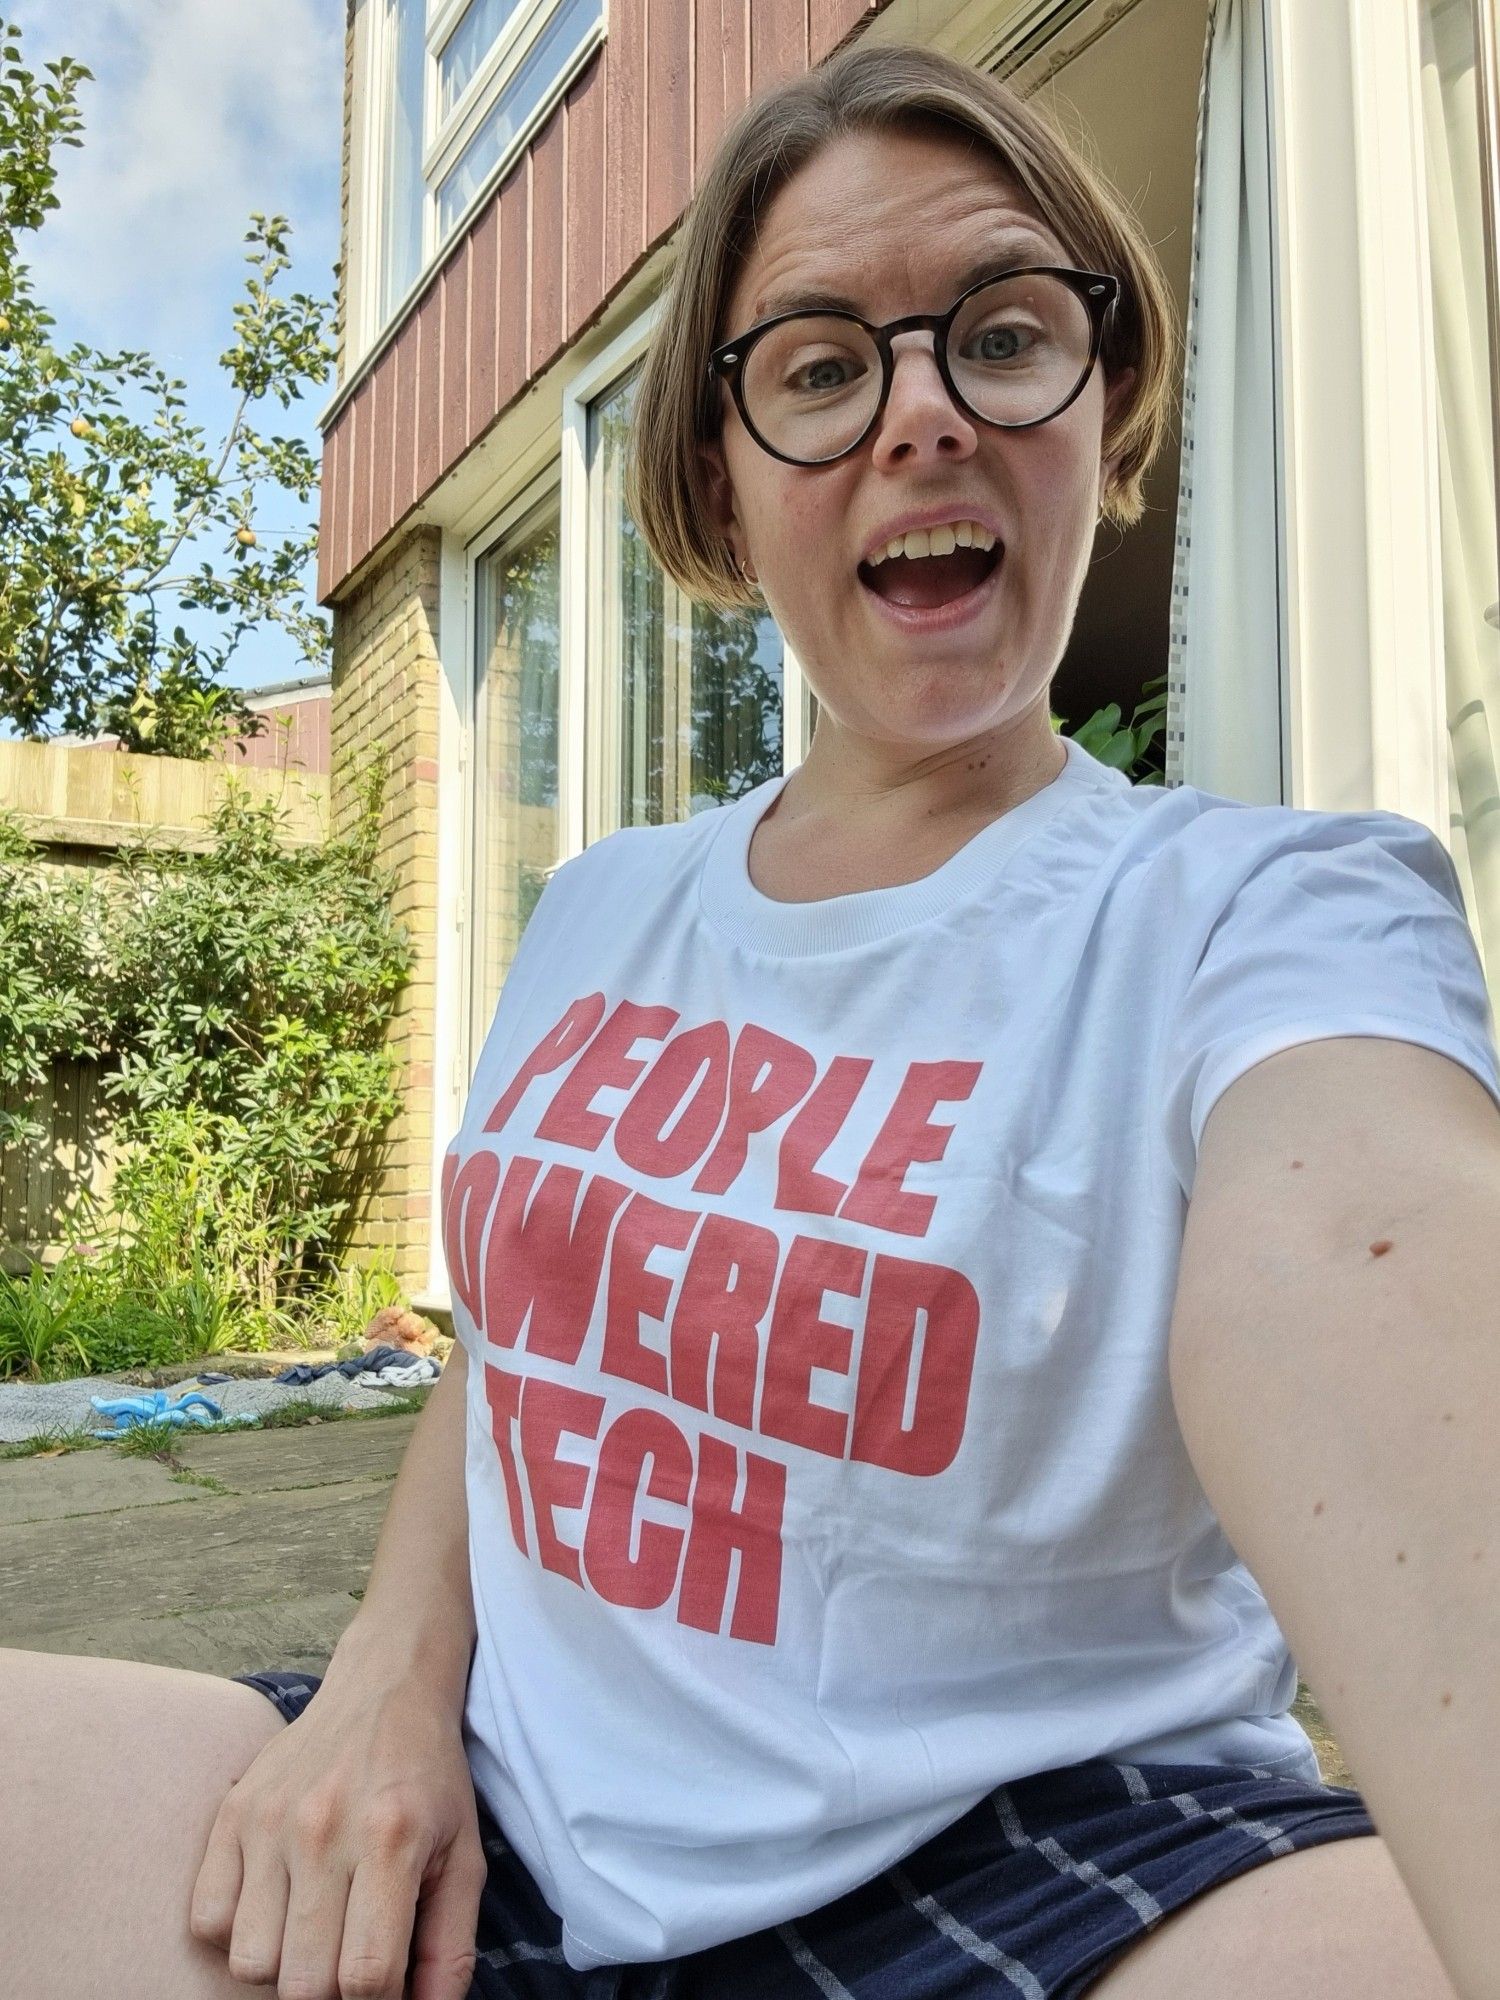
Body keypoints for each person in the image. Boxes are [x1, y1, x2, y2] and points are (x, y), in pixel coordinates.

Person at [4, 38, 1497, 2000]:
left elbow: (1370, 1267)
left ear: (1103, 391)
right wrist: (387, 1674)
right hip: (484, 1818)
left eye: (1007, 332)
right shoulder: (608, 904)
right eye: (818, 365)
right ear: (723, 469)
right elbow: (516, 1345)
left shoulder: (1267, 910)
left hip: (1062, 1863)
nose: (924, 417)